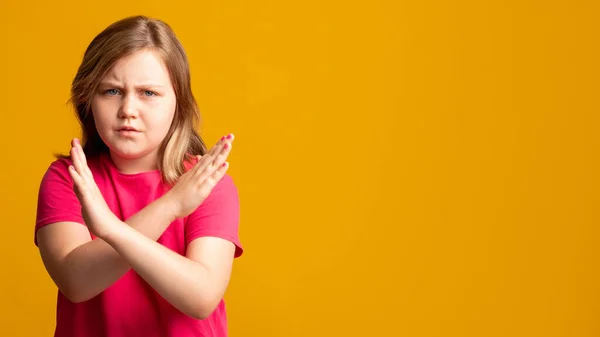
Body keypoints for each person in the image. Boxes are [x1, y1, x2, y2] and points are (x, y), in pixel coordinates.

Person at [34, 15, 243, 337]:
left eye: (148, 93)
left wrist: (111, 230)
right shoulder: (68, 178)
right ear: (88, 99)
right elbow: (77, 283)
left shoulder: (205, 182)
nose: (128, 109)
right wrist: (171, 207)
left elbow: (201, 297)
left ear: (178, 103)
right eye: (112, 91)